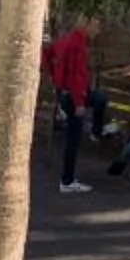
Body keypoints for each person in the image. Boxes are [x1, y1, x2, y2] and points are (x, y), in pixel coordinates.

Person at [43, 13, 104, 194]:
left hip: (66, 93)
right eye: (96, 26)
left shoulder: (66, 40)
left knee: (100, 99)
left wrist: (53, 76)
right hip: (73, 96)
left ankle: (96, 131)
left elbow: (45, 52)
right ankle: (67, 180)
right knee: (73, 139)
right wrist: (79, 104)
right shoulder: (77, 45)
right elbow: (77, 78)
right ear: (85, 24)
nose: (98, 31)